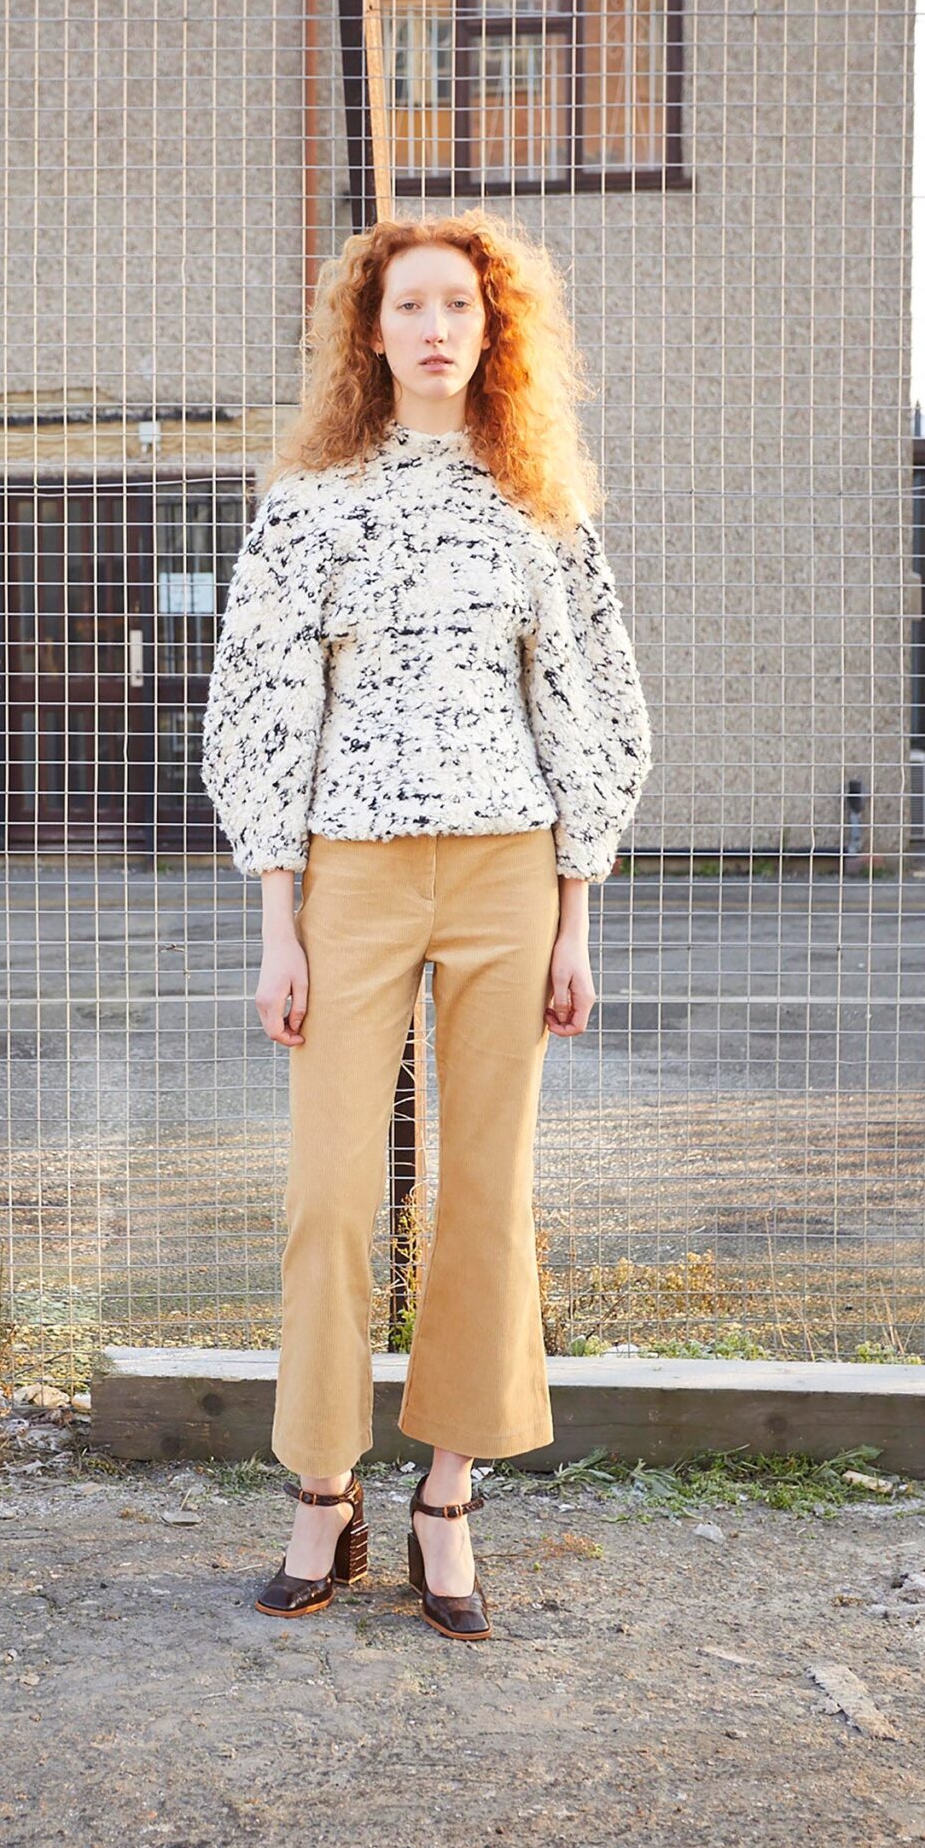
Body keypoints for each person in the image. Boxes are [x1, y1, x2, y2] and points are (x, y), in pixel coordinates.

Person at [200, 210, 652, 1641]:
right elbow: (264, 711)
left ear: (491, 328)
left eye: (461, 304)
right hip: (351, 875)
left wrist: (579, 910)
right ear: (370, 331)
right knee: (333, 1192)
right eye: (411, 306)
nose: (437, 328)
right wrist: (278, 919)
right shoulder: (308, 504)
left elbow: (588, 708)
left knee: (485, 1191)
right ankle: (321, 1493)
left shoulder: (542, 508)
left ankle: (447, 1495)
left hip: (514, 872)